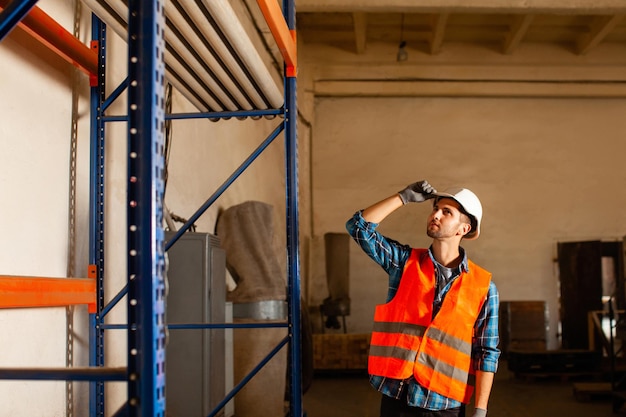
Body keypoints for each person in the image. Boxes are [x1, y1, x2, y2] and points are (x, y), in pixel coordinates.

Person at [345, 180, 500, 417]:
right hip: (397, 395)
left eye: (446, 212)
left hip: (445, 404)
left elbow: (486, 352)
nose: (435, 214)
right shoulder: (404, 263)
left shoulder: (484, 287)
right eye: (435, 208)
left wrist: (480, 410)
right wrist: (402, 198)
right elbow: (358, 227)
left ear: (463, 229)